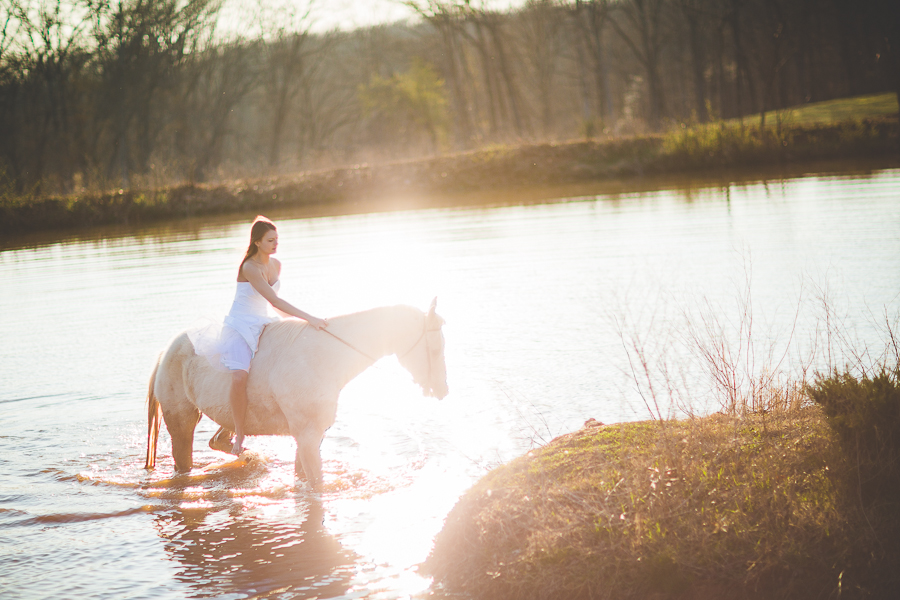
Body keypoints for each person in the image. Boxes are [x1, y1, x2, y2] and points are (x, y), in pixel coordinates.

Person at [189, 215, 328, 455]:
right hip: (240, 326)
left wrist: (296, 325)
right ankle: (238, 434)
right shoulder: (249, 267)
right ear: (257, 242)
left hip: (264, 321)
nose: (276, 244)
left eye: (277, 239)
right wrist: (310, 318)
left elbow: (274, 307)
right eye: (270, 240)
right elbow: (274, 298)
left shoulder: (276, 265)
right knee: (239, 377)